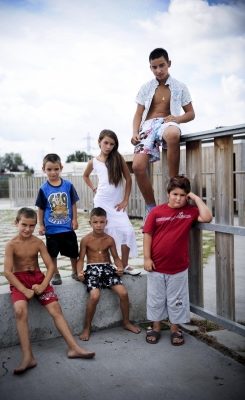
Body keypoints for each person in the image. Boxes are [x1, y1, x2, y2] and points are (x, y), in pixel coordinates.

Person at [4, 207, 95, 374]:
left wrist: (43, 284)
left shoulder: (37, 242)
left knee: (55, 309)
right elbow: (8, 272)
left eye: (32, 226)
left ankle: (73, 347)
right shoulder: (11, 245)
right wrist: (24, 290)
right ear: (16, 223)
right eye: (24, 224)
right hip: (19, 280)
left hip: (39, 278)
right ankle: (28, 357)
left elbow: (51, 266)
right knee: (20, 311)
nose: (28, 229)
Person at [143, 175, 212, 345]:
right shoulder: (157, 212)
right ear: (168, 193)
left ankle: (175, 329)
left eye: (183, 195)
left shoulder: (189, 211)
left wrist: (195, 198)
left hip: (178, 267)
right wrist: (146, 258)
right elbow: (147, 234)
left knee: (177, 300)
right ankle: (156, 327)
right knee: (156, 299)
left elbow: (207, 217)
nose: (178, 198)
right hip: (156, 266)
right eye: (175, 194)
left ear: (187, 196)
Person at [131, 48, 195, 224]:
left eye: (161, 65)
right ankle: (151, 207)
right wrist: (135, 132)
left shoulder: (180, 87)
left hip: (168, 122)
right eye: (154, 67)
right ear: (150, 68)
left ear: (169, 64)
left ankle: (174, 187)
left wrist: (177, 118)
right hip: (148, 125)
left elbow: (191, 113)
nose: (158, 70)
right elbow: (138, 114)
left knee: (174, 133)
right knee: (137, 166)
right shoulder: (145, 88)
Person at [77, 207, 141, 341]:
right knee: (95, 297)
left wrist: (119, 267)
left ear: (106, 222)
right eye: (95, 222)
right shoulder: (86, 240)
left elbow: (116, 257)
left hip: (107, 268)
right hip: (92, 270)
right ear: (90, 223)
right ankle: (87, 327)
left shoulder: (109, 239)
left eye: (102, 222)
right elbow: (81, 259)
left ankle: (126, 322)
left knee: (123, 293)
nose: (99, 225)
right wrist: (79, 272)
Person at [83, 129, 140, 276]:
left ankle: (125, 265)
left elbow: (128, 179)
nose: (108, 146)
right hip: (101, 202)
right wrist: (94, 188)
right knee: (104, 233)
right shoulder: (94, 162)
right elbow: (85, 176)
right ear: (99, 142)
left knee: (127, 231)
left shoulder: (117, 158)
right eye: (106, 143)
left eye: (112, 144)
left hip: (116, 205)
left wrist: (125, 199)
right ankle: (107, 265)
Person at [35, 153, 79, 285]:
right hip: (51, 229)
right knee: (52, 254)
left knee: (73, 251)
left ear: (61, 168)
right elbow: (41, 208)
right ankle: (55, 273)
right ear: (44, 169)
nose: (53, 172)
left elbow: (73, 203)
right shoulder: (43, 189)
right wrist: (41, 225)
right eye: (49, 169)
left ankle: (75, 270)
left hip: (67, 227)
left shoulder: (68, 185)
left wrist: (75, 219)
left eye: (56, 169)